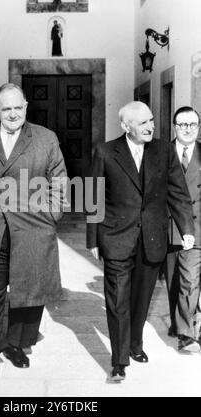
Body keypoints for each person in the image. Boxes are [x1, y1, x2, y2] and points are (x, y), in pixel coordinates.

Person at [0, 83, 67, 380]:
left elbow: (59, 181)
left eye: (18, 107)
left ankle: (18, 344)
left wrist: (51, 217)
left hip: (32, 227)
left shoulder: (45, 138)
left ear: (26, 106)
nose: (13, 114)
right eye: (6, 109)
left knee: (29, 286)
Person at [86, 101, 195, 382]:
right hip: (116, 238)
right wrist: (93, 239)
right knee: (118, 299)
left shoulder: (163, 150)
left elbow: (178, 192)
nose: (151, 126)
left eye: (151, 121)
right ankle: (119, 360)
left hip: (152, 238)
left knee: (141, 298)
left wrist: (186, 228)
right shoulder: (106, 151)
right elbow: (93, 197)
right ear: (126, 126)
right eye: (143, 122)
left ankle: (135, 344)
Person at [165, 106, 201, 352]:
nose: (187, 129)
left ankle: (187, 334)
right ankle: (178, 324)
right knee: (173, 282)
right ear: (174, 127)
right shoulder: (161, 153)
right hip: (168, 228)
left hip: (196, 228)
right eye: (182, 124)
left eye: (192, 124)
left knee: (189, 279)